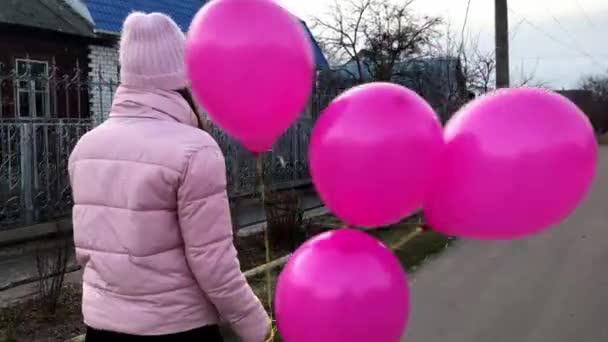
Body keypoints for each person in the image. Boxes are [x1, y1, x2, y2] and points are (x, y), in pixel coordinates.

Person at [68, 12, 271, 342]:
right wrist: (255, 325)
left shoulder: (85, 148)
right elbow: (213, 262)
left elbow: (87, 252)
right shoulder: (195, 150)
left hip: (101, 329)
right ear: (182, 76)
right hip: (178, 328)